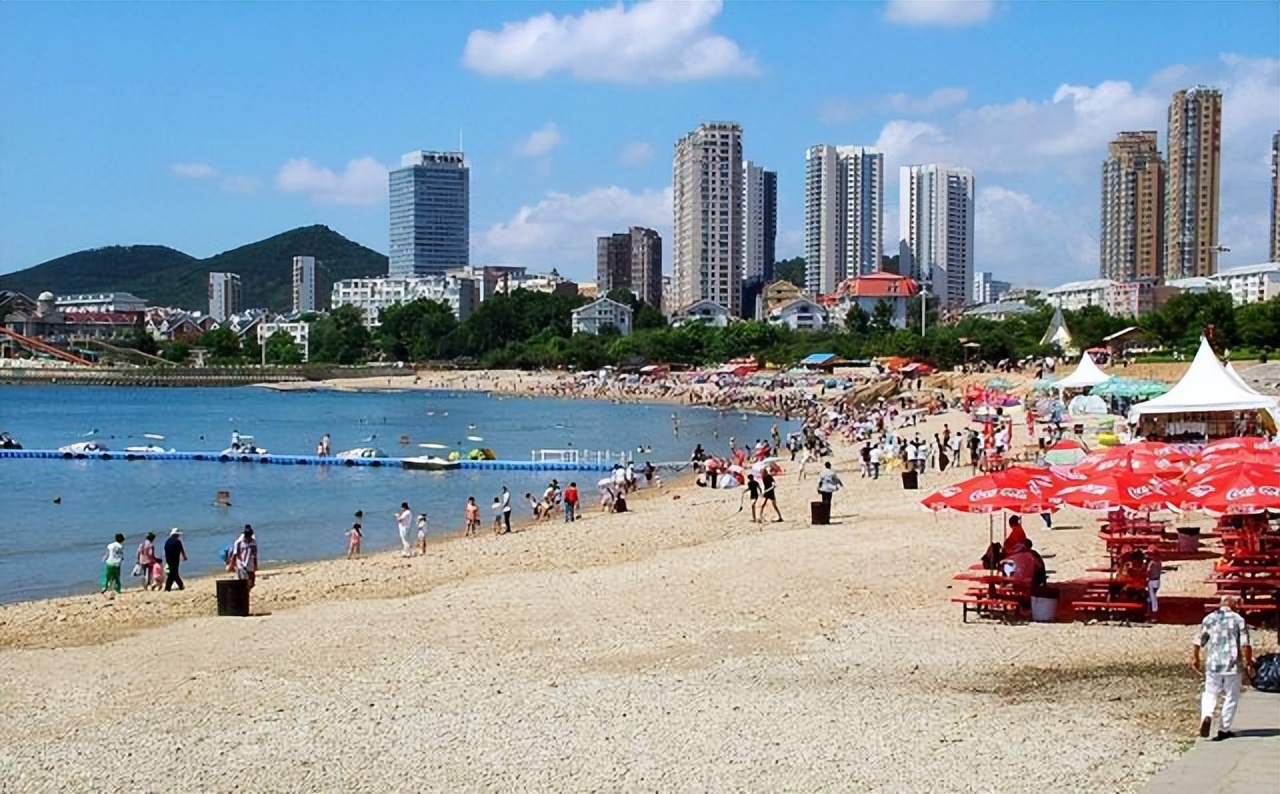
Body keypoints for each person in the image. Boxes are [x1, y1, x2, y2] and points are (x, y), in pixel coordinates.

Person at [1192, 595, 1255, 740]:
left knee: (1210, 692)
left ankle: (1207, 714)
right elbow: (1245, 644)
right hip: (1232, 663)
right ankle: (1223, 728)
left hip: (1213, 662)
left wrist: (1195, 656)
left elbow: (1199, 640)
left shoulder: (1209, 618)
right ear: (1234, 605)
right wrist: (1249, 662)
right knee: (1231, 695)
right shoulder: (1238, 620)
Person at [228, 525, 258, 590]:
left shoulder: (253, 542)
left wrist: (255, 565)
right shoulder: (239, 542)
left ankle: (247, 591)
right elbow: (235, 554)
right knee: (243, 583)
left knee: (251, 582)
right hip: (241, 565)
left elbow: (255, 554)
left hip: (250, 565)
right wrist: (231, 565)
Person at [1145, 545, 1162, 615]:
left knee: (1152, 597)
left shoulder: (1151, 563)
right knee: (1152, 596)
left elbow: (1148, 572)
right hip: (1157, 580)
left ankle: (1153, 611)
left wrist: (1146, 578)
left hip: (1152, 581)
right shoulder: (1159, 562)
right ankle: (1150, 611)